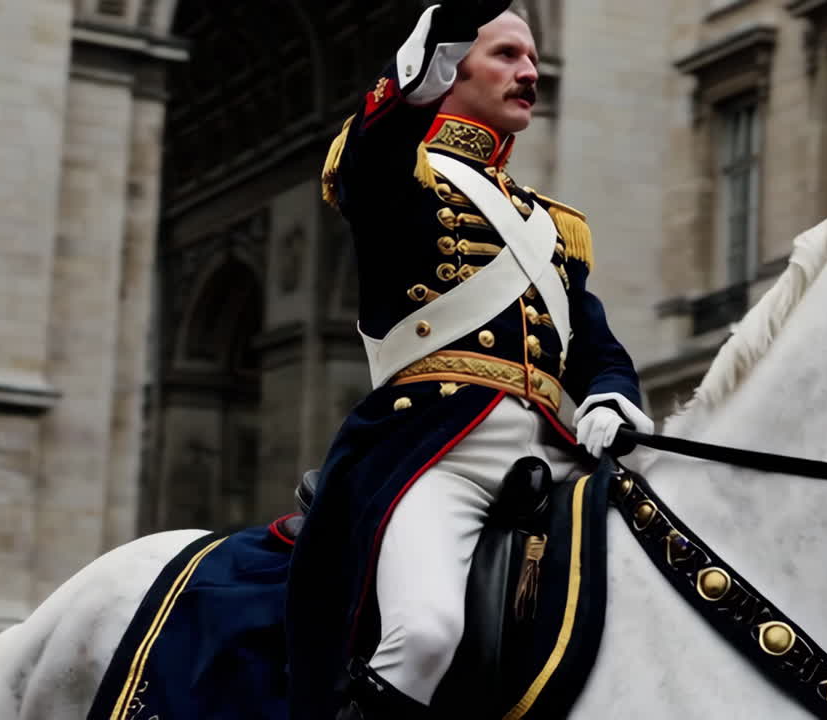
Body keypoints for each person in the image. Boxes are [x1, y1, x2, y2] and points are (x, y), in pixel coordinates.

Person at [285, 2, 651, 718]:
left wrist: (608, 395)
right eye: (507, 54)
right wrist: (441, 36)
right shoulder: (402, 178)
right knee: (424, 633)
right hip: (434, 453)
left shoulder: (551, 225)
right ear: (451, 66)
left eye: (535, 59)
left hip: (551, 460)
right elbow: (377, 141)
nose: (529, 71)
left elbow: (594, 344)